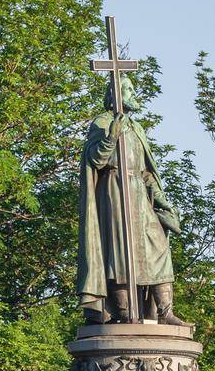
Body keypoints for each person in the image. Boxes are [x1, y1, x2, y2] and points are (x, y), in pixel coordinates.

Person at [76, 74, 182, 325]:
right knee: (120, 253)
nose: (134, 96)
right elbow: (95, 160)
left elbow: (147, 172)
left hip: (138, 193)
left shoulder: (137, 128)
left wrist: (163, 203)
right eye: (129, 91)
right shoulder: (102, 123)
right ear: (116, 96)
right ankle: (123, 313)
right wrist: (111, 137)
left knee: (158, 247)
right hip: (114, 192)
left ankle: (165, 312)